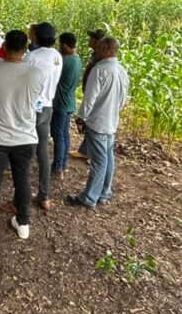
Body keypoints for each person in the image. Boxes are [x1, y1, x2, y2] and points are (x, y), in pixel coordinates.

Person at [0, 30, 44, 240]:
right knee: (23, 179)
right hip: (26, 137)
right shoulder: (36, 73)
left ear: (4, 46)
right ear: (25, 48)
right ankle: (23, 223)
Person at [65, 37, 129, 210]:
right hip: (111, 121)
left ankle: (89, 198)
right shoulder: (121, 70)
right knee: (108, 158)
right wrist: (113, 111)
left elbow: (89, 98)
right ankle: (104, 193)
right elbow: (123, 99)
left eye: (100, 47)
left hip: (98, 122)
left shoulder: (99, 70)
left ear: (107, 49)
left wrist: (81, 118)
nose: (97, 51)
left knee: (99, 161)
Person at [24, 22, 63, 209]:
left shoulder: (32, 56)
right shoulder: (57, 56)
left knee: (24, 153)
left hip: (31, 107)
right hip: (48, 107)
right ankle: (44, 195)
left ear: (36, 36)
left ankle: (19, 200)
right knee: (43, 154)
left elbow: (22, 79)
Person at [50, 33, 83, 180]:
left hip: (60, 103)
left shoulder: (64, 61)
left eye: (60, 44)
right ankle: (62, 164)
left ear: (64, 44)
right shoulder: (77, 59)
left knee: (58, 136)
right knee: (64, 134)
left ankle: (58, 168)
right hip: (69, 102)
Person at [71, 28, 106, 161]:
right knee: (90, 122)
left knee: (92, 122)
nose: (89, 40)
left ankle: (91, 152)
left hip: (94, 94)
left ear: (97, 41)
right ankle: (85, 150)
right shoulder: (95, 55)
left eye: (91, 38)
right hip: (90, 91)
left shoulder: (100, 58)